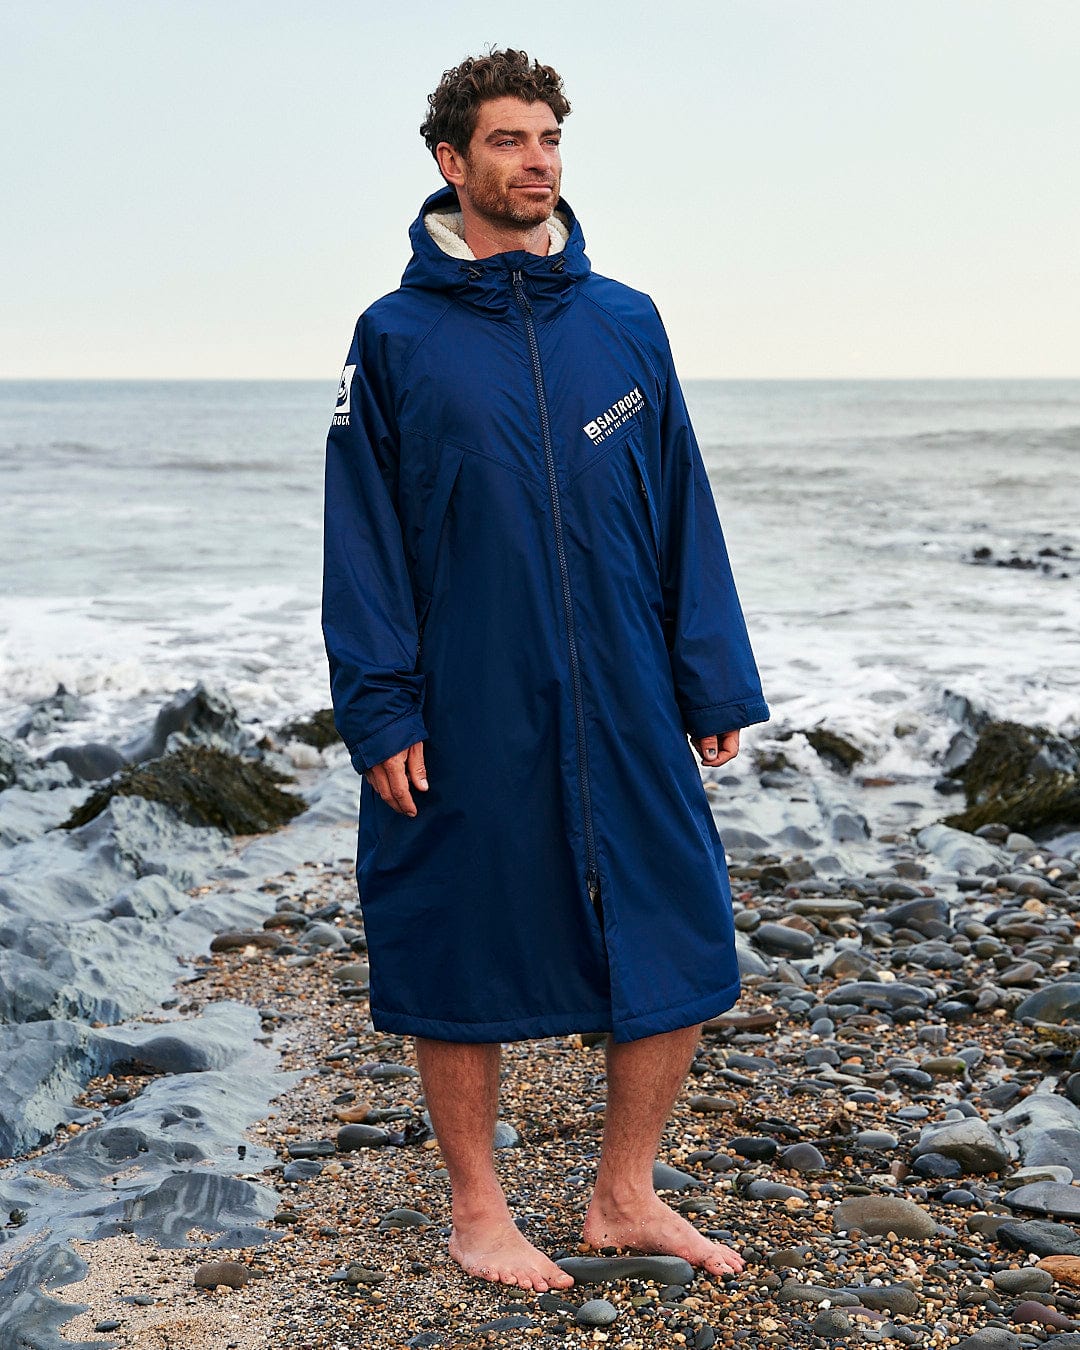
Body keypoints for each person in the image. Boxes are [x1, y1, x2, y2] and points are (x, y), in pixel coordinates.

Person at [321, 48, 770, 1293]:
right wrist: (380, 705)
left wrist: (712, 677)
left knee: (676, 912)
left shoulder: (624, 321)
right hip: (466, 685)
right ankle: (479, 1211)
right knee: (452, 925)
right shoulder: (395, 336)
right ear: (451, 162)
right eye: (509, 141)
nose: (537, 162)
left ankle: (625, 1195)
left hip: (627, 678)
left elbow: (682, 503)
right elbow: (361, 542)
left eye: (549, 140)